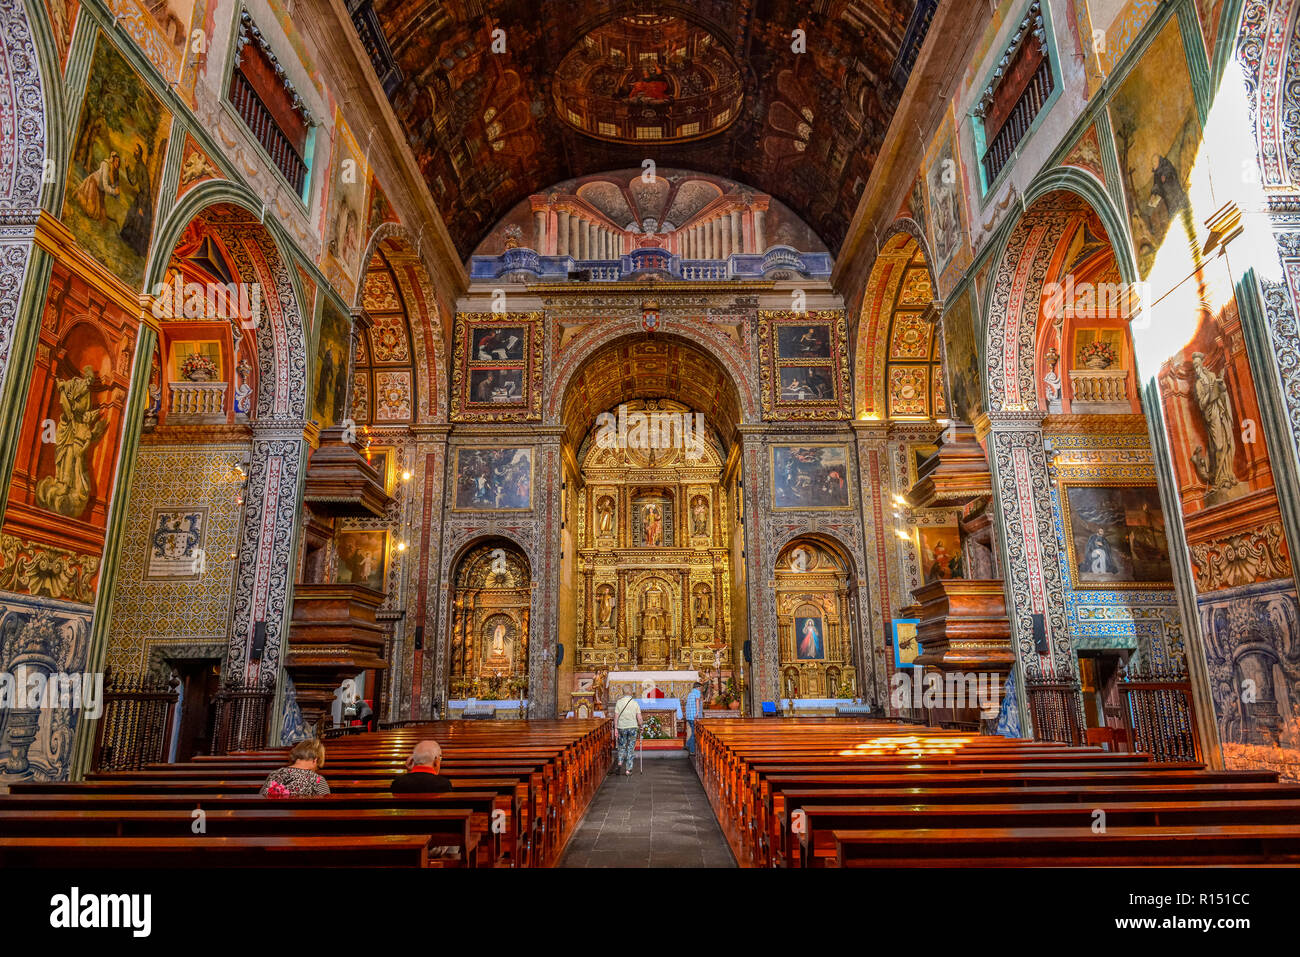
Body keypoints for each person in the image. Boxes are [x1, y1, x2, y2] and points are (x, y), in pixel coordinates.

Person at [259, 739, 330, 797]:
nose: (317, 769)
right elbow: (327, 807)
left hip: (267, 813)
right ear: (315, 760)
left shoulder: (274, 774)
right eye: (318, 766)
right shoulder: (317, 780)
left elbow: (260, 798)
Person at [613, 691, 642, 776]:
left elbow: (616, 717)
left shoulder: (619, 702)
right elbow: (639, 717)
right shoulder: (635, 703)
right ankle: (628, 770)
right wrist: (641, 726)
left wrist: (615, 728)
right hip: (632, 727)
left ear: (623, 692)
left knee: (621, 746)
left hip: (621, 727)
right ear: (631, 693)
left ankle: (620, 763)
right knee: (630, 748)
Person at [684, 682, 703, 757]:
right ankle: (691, 749)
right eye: (700, 687)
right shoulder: (697, 692)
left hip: (689, 716)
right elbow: (697, 701)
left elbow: (688, 704)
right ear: (698, 687)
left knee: (693, 732)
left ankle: (688, 744)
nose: (701, 689)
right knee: (694, 733)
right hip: (694, 716)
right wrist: (697, 712)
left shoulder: (690, 694)